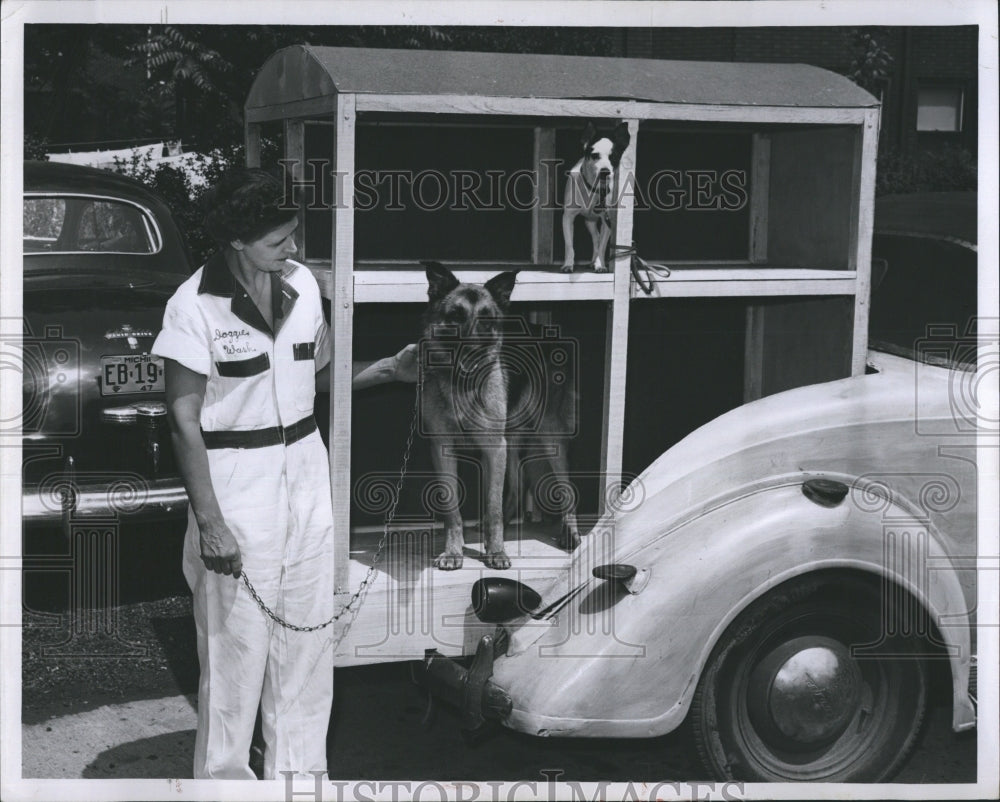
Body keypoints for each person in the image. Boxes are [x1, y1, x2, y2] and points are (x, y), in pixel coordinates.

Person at [152, 168, 415, 780]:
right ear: (238, 241)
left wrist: (388, 371)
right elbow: (182, 421)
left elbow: (315, 378)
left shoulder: (302, 287)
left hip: (306, 471)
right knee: (236, 655)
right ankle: (226, 788)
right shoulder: (193, 307)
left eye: (294, 235)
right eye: (279, 241)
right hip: (236, 484)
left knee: (305, 651)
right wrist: (210, 523)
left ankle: (302, 784)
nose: (294, 250)